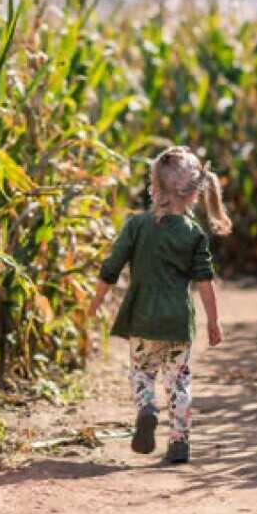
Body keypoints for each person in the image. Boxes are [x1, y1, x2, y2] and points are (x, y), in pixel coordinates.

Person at [87, 146, 232, 463]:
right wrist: (213, 322)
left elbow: (111, 268)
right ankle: (179, 442)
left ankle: (147, 408)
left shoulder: (137, 226)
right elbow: (205, 282)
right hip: (178, 322)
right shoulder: (194, 233)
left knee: (142, 375)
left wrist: (94, 304)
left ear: (153, 188)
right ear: (195, 194)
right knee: (179, 381)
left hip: (142, 319)